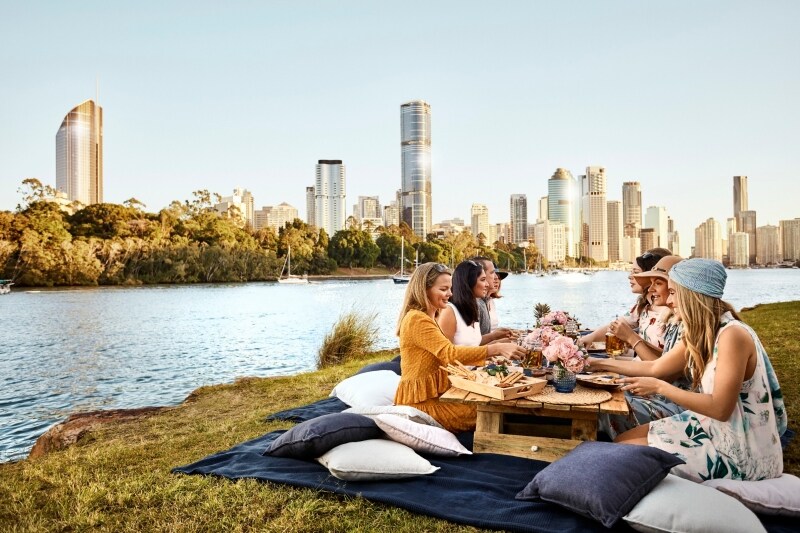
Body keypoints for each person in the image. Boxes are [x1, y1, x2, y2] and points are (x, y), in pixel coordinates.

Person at [612, 258, 786, 482]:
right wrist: (590, 363)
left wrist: (659, 387)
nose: (670, 301)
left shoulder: (732, 335)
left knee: (623, 455)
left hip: (740, 449)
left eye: (674, 293)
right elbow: (656, 366)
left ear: (691, 294)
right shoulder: (703, 330)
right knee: (619, 443)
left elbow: (721, 408)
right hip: (711, 427)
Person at [394, 262, 527, 432]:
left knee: (493, 399)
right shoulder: (416, 320)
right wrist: (496, 349)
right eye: (443, 289)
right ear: (423, 290)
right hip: (420, 404)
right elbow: (449, 353)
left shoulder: (431, 316)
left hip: (438, 395)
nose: (450, 294)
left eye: (450, 288)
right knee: (489, 408)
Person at [588, 255, 688, 438]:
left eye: (658, 283)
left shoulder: (688, 325)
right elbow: (664, 359)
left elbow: (662, 372)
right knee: (597, 396)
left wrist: (632, 340)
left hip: (675, 404)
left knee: (602, 408)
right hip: (657, 392)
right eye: (650, 283)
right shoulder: (676, 320)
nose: (650, 289)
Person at [579, 247, 672, 357]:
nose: (630, 276)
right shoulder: (644, 306)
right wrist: (591, 337)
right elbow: (617, 325)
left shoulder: (670, 312)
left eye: (636, 272)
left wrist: (631, 339)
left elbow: (660, 363)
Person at [437, 260, 487, 346]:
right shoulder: (449, 311)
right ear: (469, 282)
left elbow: (473, 344)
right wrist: (495, 349)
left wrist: (497, 338)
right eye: (483, 280)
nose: (487, 284)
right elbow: (444, 354)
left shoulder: (472, 308)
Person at [470, 256, 515, 343]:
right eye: (492, 273)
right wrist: (498, 342)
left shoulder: (484, 302)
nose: (496, 278)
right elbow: (473, 343)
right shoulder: (475, 304)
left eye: (498, 276)